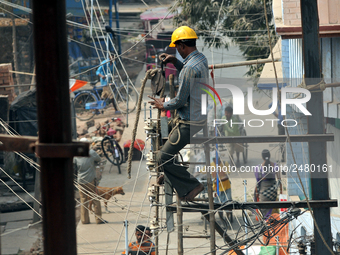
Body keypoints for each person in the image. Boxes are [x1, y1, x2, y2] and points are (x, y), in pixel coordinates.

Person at [148, 26, 208, 201]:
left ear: (182, 46)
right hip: (198, 117)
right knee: (163, 137)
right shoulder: (200, 59)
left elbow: (180, 100)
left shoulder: (190, 68)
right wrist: (176, 62)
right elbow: (189, 75)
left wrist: (163, 104)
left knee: (163, 156)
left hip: (190, 123)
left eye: (176, 47)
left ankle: (192, 185)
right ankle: (169, 174)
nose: (177, 50)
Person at [74, 138, 107, 224]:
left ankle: (84, 220)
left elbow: (74, 166)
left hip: (80, 181)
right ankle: (98, 219)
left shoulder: (76, 154)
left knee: (83, 200)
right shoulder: (91, 153)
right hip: (91, 180)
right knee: (95, 199)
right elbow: (99, 159)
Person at [254, 149, 283, 220]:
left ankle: (266, 227)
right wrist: (281, 192)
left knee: (264, 215)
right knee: (273, 214)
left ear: (262, 157)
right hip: (273, 193)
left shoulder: (258, 168)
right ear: (269, 156)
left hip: (263, 195)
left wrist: (256, 193)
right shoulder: (275, 166)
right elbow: (279, 181)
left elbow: (258, 183)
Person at [211, 157, 232, 228]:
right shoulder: (211, 165)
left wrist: (219, 180)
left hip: (226, 187)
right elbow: (201, 171)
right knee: (219, 206)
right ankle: (223, 221)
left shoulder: (225, 163)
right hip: (217, 189)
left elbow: (227, 175)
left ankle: (227, 219)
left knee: (228, 204)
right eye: (214, 159)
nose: (215, 160)